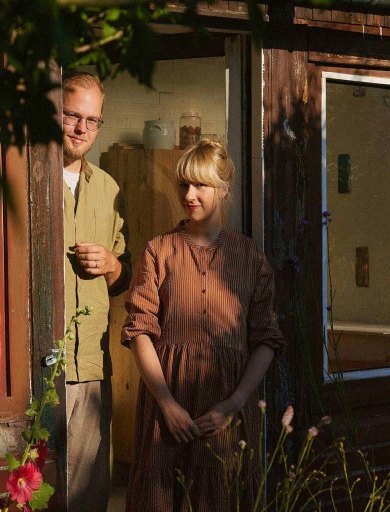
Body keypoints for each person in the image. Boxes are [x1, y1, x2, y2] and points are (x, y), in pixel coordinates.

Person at [121, 140, 284, 512]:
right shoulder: (158, 250)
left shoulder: (249, 256)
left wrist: (235, 403)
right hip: (168, 406)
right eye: (183, 185)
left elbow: (266, 340)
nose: (190, 195)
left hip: (225, 411)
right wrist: (167, 404)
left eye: (202, 185)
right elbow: (139, 331)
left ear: (224, 190)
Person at [61, 70, 131, 512]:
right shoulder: (31, 181)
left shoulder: (107, 189)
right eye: (72, 116)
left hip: (90, 363)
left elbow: (123, 280)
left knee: (87, 497)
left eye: (92, 120)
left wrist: (110, 263)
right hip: (40, 368)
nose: (83, 128)